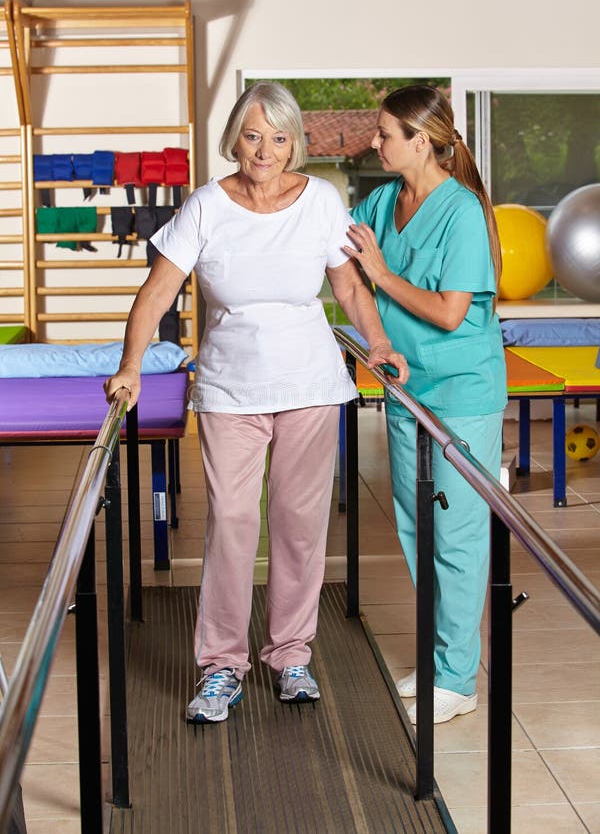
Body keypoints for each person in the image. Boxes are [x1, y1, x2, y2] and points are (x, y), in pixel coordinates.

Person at [104, 81, 408, 724]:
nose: (264, 150)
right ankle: (221, 666)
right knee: (234, 524)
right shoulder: (207, 206)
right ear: (234, 140)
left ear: (295, 141)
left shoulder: (321, 201)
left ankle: (291, 654)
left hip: (310, 385)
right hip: (229, 388)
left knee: (300, 527)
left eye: (277, 137)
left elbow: (349, 290)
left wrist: (377, 343)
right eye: (252, 135)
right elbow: (158, 291)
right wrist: (130, 365)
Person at [344, 84, 506, 725]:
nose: (375, 143)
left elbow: (448, 311)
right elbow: (337, 256)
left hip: (461, 392)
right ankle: (441, 660)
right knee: (420, 530)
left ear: (422, 141)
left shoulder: (462, 210)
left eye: (385, 134)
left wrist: (381, 276)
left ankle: (460, 678)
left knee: (459, 536)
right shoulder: (383, 200)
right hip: (406, 390)